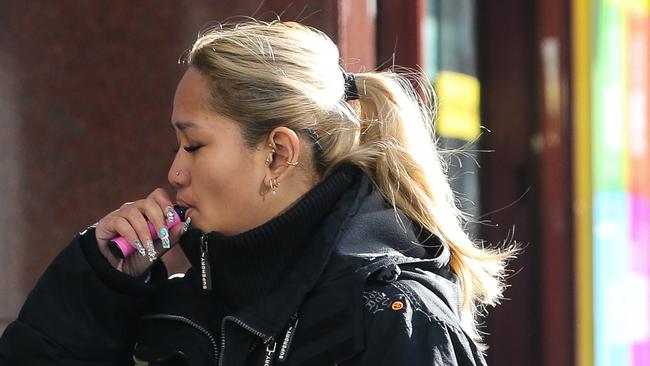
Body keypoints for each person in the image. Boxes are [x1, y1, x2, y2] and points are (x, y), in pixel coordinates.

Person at [0, 20, 514, 366]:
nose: (174, 172)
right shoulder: (182, 302)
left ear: (277, 155)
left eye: (194, 145)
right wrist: (97, 291)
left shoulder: (394, 325)